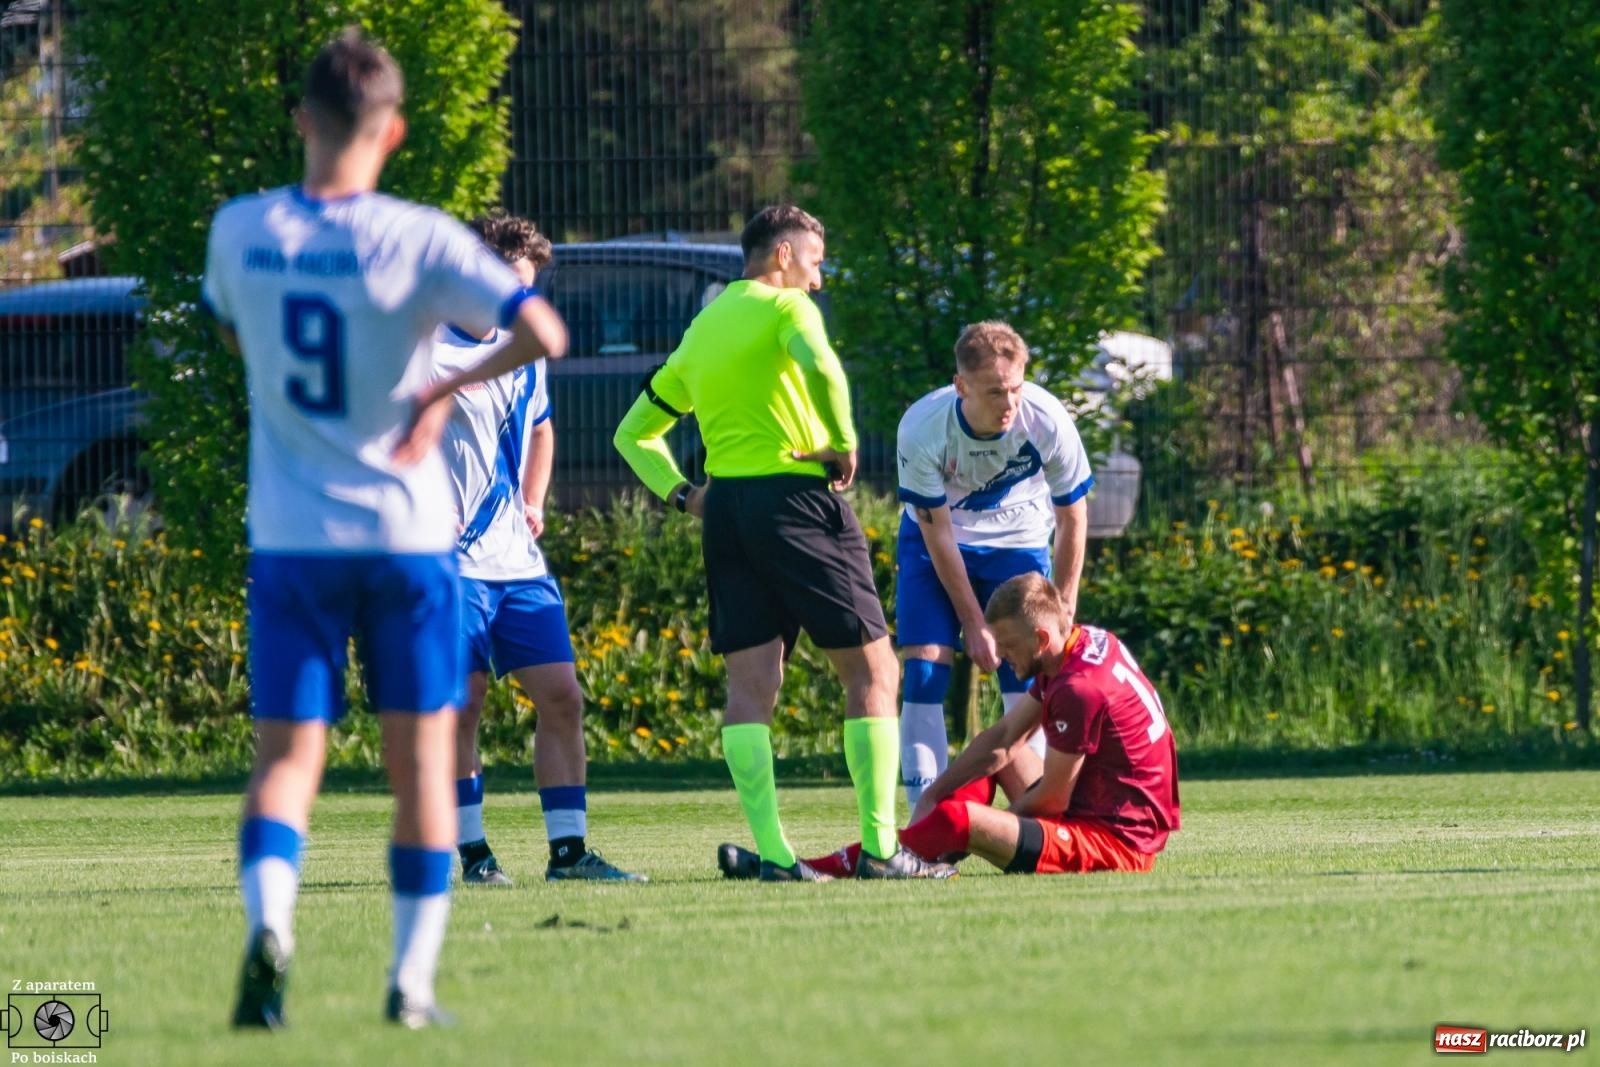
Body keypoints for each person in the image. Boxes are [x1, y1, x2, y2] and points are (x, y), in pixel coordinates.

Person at [201, 29, 566, 1030]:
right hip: (409, 542)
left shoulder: (240, 230)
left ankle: (272, 925)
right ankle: (408, 983)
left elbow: (235, 332)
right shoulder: (419, 236)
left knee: (286, 757)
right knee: (419, 761)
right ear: (395, 130)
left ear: (302, 122)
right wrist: (448, 381)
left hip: (290, 537)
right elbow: (542, 333)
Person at [613, 204, 950, 880]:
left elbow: (632, 433)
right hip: (796, 498)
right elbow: (824, 367)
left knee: (750, 686)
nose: (819, 281)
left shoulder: (702, 327)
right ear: (785, 256)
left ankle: (773, 854)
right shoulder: (787, 311)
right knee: (875, 674)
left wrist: (683, 492)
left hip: (727, 509)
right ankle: (883, 849)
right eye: (817, 263)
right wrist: (844, 440)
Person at [435, 210, 644, 885]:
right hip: (444, 561)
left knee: (562, 696)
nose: (523, 300)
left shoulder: (523, 354)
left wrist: (532, 500)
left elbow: (543, 430)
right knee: (461, 706)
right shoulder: (422, 345)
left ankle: (568, 853)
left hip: (516, 561)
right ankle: (473, 853)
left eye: (530, 287)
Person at [719, 572, 1178, 877]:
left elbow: (1055, 798)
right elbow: (1001, 740)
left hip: (1116, 844)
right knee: (982, 772)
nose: (999, 657)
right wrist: (935, 793)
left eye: (1009, 646)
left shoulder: (1079, 689)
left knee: (962, 820)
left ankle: (831, 867)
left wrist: (981, 824)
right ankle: (918, 854)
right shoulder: (1080, 645)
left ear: (1040, 638)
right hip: (1098, 809)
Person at [894, 321, 1093, 808]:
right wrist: (972, 621)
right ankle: (925, 822)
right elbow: (936, 530)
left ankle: (1039, 813)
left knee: (1031, 671)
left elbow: (1072, 517)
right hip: (936, 540)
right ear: (961, 386)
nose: (1009, 404)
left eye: (1016, 389)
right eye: (995, 392)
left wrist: (1063, 608)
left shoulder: (1046, 419)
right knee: (924, 673)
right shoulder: (922, 428)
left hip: (1018, 540)